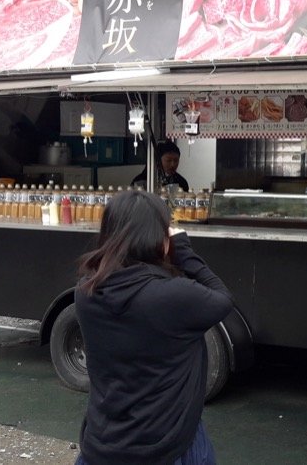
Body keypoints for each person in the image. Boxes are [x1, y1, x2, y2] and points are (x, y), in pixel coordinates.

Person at [74, 190, 233, 465]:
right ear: (160, 238)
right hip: (167, 446)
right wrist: (183, 251)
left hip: (102, 444)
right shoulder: (174, 296)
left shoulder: (86, 291)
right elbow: (222, 299)